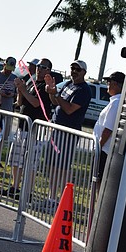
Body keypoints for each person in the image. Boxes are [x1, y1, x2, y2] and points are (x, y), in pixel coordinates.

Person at [40, 59, 92, 210]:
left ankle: (60, 201)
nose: (74, 71)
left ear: (84, 72)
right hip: (56, 129)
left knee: (62, 166)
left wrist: (56, 94)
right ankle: (51, 198)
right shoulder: (69, 85)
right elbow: (56, 102)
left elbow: (69, 109)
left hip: (68, 133)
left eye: (78, 69)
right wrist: (51, 91)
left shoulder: (84, 90)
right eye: (72, 68)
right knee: (51, 164)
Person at [4, 58, 53, 197]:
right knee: (16, 158)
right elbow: (20, 102)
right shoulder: (32, 82)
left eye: (43, 67)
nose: (39, 69)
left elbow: (37, 103)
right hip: (22, 126)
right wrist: (20, 90)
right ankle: (15, 187)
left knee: (30, 162)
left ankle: (28, 192)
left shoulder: (45, 86)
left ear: (48, 70)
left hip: (35, 129)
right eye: (38, 66)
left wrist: (24, 90)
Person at [92, 71, 125, 186]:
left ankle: (97, 203)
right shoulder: (116, 101)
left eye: (109, 82)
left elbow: (108, 129)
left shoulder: (116, 103)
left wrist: (98, 147)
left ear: (115, 84)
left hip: (104, 149)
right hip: (104, 148)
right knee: (98, 180)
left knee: (98, 181)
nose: (107, 84)